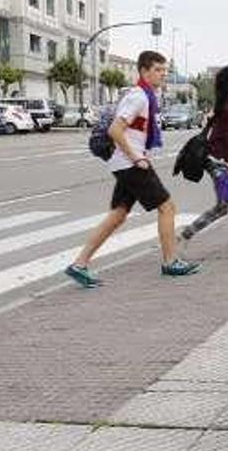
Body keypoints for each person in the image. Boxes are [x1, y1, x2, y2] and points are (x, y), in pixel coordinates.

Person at [64, 51, 200, 287]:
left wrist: (139, 154)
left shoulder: (145, 96)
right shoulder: (139, 96)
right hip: (129, 163)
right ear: (144, 71)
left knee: (118, 214)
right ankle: (170, 261)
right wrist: (137, 157)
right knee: (167, 207)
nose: (162, 75)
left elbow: (131, 131)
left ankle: (79, 264)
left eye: (164, 70)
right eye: (158, 70)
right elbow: (115, 130)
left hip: (125, 162)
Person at [178, 66, 228, 255]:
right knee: (225, 204)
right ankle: (186, 234)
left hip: (214, 159)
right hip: (219, 161)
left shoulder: (227, 104)